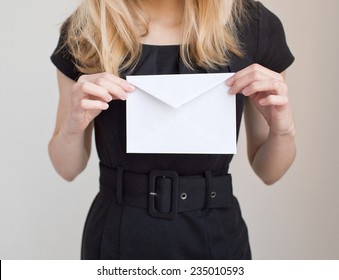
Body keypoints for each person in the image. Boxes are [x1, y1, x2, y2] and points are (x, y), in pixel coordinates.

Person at [49, 0, 296, 260]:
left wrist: (284, 129)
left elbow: (269, 172)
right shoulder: (87, 27)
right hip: (118, 237)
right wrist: (73, 126)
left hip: (214, 237)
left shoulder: (251, 23)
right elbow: (67, 168)